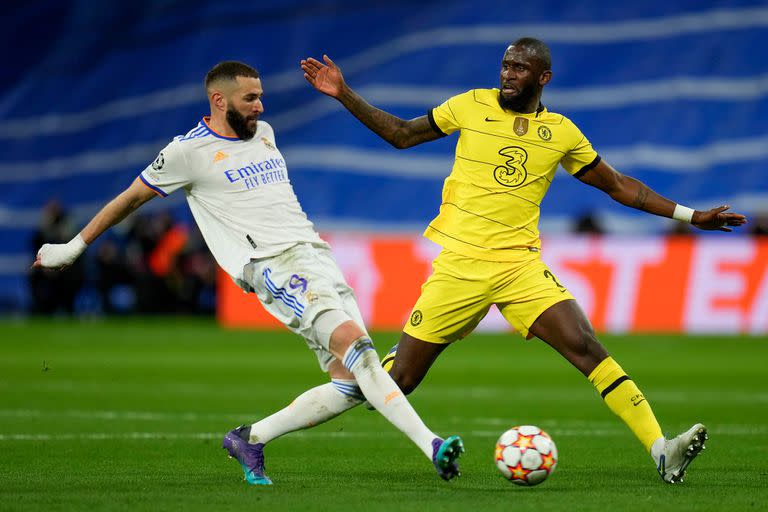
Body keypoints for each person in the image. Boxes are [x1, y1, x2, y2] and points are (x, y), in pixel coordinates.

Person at [299, 38, 748, 484]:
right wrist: (344, 94)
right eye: (505, 65)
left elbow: (618, 186)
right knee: (399, 380)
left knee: (587, 348)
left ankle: (661, 450)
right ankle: (262, 433)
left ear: (543, 78)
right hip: (461, 267)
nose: (507, 74)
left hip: (520, 268)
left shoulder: (562, 133)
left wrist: (691, 216)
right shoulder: (470, 105)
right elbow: (401, 135)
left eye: (519, 68)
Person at [32, 61, 464, 485]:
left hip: (316, 255)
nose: (260, 106)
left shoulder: (264, 134)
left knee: (351, 382)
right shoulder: (186, 152)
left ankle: (250, 438)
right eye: (250, 98)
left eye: (261, 97)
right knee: (360, 349)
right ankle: (432, 445)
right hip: (273, 266)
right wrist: (73, 247)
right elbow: (128, 200)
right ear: (219, 100)